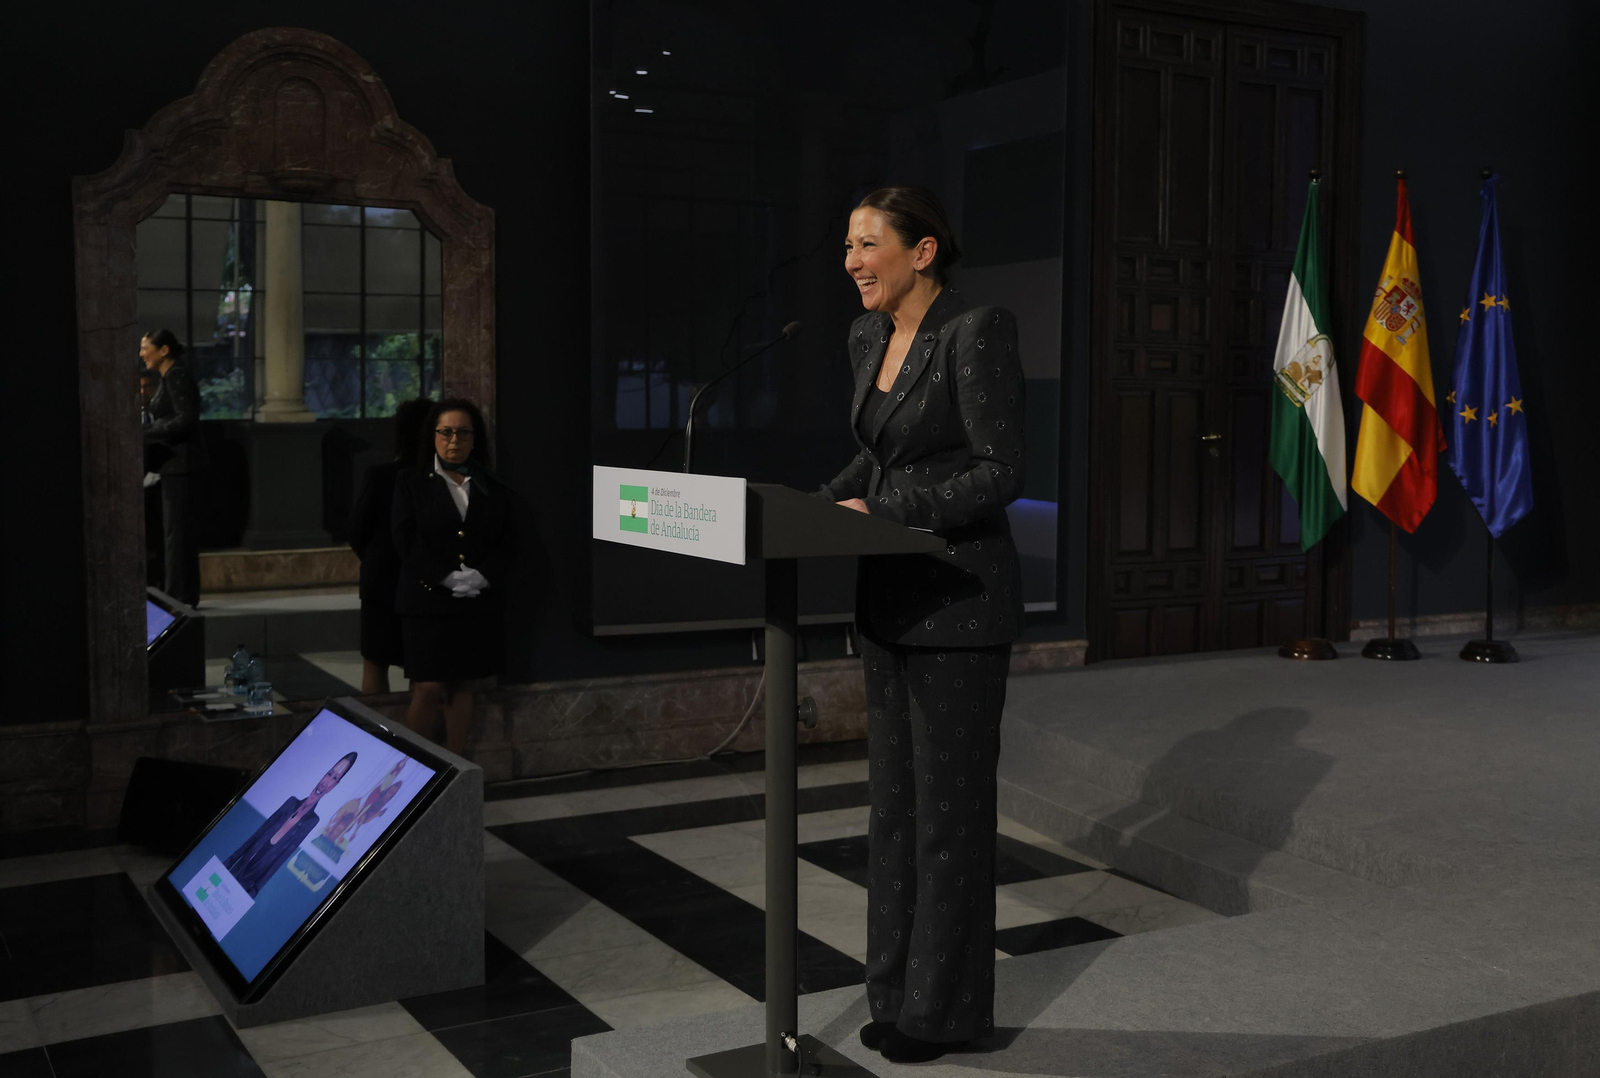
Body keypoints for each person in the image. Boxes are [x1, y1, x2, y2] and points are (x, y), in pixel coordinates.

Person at [819, 185, 1026, 1061]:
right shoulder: (867, 335)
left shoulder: (976, 332)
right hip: (888, 605)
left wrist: (890, 508)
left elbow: (999, 470)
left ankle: (946, 1015)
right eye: (848, 246)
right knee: (893, 816)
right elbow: (877, 451)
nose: (852, 261)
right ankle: (896, 994)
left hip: (958, 601)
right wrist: (809, 506)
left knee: (948, 818)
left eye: (868, 244)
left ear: (924, 250)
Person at [392, 398, 517, 755]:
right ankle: (411, 766)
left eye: (463, 432)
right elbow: (404, 539)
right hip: (426, 601)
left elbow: (507, 541)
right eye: (445, 432)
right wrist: (443, 578)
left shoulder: (489, 483)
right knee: (428, 687)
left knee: (462, 685)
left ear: (474, 438)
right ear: (432, 436)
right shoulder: (410, 481)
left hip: (474, 603)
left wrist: (483, 577)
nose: (454, 440)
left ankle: (458, 767)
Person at [347, 399, 432, 694]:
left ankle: (375, 735)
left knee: (375, 662)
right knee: (422, 667)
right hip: (424, 580)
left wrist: (373, 557)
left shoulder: (381, 476)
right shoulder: (437, 479)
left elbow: (357, 530)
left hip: (380, 577)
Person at [223, 751, 358, 898]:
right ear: (324, 774)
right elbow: (258, 834)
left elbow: (283, 856)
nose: (327, 781)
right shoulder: (291, 802)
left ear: (335, 785)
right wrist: (229, 861)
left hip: (248, 883)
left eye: (335, 778)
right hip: (237, 868)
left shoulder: (312, 821)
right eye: (329, 773)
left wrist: (256, 889)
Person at [141, 328, 208, 605]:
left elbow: (186, 418)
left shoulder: (177, 375)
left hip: (182, 465)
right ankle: (181, 596)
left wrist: (146, 432)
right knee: (175, 535)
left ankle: (178, 598)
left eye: (146, 347)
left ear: (163, 350)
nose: (142, 353)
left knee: (177, 536)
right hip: (173, 466)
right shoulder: (168, 377)